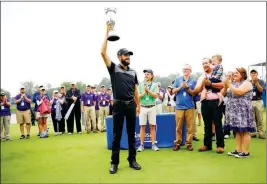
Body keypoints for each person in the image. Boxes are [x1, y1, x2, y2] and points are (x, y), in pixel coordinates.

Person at [101, 22, 141, 174]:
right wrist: (107, 33)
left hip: (131, 105)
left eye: (129, 55)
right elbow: (103, 54)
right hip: (118, 105)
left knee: (132, 134)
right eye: (125, 55)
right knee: (117, 135)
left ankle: (132, 160)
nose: (128, 57)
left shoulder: (133, 72)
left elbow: (135, 89)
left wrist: (138, 105)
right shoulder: (113, 68)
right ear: (119, 57)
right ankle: (114, 163)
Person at [222, 67, 255, 158]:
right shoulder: (232, 83)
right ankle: (238, 150)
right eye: (234, 73)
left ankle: (245, 152)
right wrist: (225, 86)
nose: (234, 74)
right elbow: (223, 94)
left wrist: (229, 84)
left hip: (243, 110)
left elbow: (239, 92)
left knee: (245, 131)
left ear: (243, 74)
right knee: (237, 131)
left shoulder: (247, 83)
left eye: (237, 73)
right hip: (233, 111)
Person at [194, 58, 225, 154]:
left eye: (206, 63)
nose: (205, 65)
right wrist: (203, 83)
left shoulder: (218, 74)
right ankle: (207, 145)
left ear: (211, 64)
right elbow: (196, 90)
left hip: (216, 102)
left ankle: (220, 146)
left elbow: (224, 85)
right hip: (205, 102)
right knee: (207, 125)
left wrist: (210, 84)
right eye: (203, 63)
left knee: (218, 124)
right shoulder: (201, 77)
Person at [172, 64, 197, 151]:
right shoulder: (178, 79)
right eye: (184, 69)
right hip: (179, 106)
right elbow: (173, 91)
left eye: (188, 69)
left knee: (190, 127)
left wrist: (187, 88)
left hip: (189, 107)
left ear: (190, 71)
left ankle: (188, 143)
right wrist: (181, 87)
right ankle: (177, 143)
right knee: (178, 127)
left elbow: (194, 93)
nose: (186, 70)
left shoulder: (193, 81)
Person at [137, 69, 159, 152]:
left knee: (152, 126)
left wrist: (148, 91)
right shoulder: (141, 85)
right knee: (142, 126)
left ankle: (153, 145)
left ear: (152, 76)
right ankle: (141, 145)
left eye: (148, 74)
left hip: (152, 107)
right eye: (145, 74)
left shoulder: (155, 85)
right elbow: (137, 96)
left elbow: (156, 96)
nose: (146, 75)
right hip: (143, 107)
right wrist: (143, 93)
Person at [249, 69, 266, 139]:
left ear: (257, 74)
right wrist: (252, 83)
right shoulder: (248, 82)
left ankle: (261, 133)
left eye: (254, 73)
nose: (253, 74)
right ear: (250, 74)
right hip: (250, 101)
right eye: (252, 73)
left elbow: (261, 90)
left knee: (259, 118)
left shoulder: (261, 81)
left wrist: (256, 82)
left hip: (259, 101)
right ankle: (253, 132)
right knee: (252, 118)